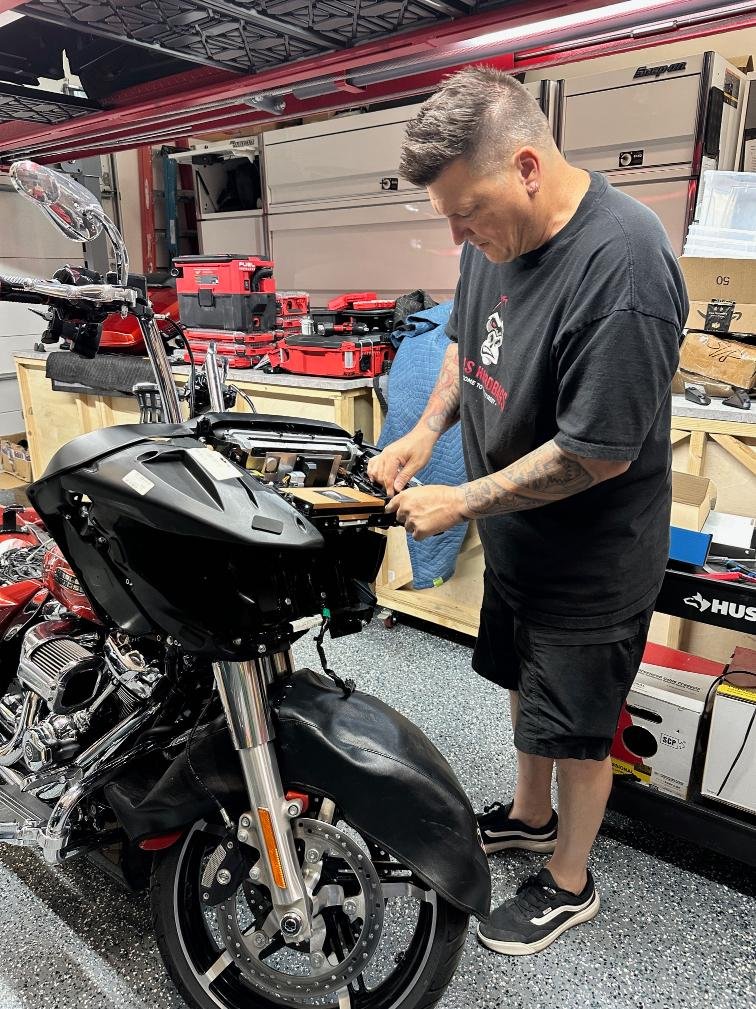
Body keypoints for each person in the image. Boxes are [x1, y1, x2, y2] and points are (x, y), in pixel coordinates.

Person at [367, 66, 686, 956]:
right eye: (448, 217)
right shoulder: (490, 234)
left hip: (594, 557)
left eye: (466, 212)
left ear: (529, 167)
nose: (458, 235)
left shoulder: (623, 267)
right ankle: (529, 815)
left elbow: (596, 451)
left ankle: (570, 879)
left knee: (579, 729)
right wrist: (424, 432)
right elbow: (465, 340)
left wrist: (462, 498)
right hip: (519, 539)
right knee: (524, 685)